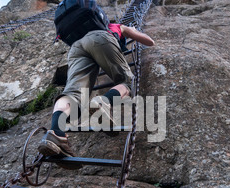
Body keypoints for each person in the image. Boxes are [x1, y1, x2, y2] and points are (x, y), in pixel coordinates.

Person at [37, 21, 155, 169]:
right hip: (100, 38)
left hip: (76, 47)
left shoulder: (85, 30)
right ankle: (103, 102)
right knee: (127, 81)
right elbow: (149, 42)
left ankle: (56, 132)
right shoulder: (116, 26)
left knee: (73, 92)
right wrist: (132, 30)